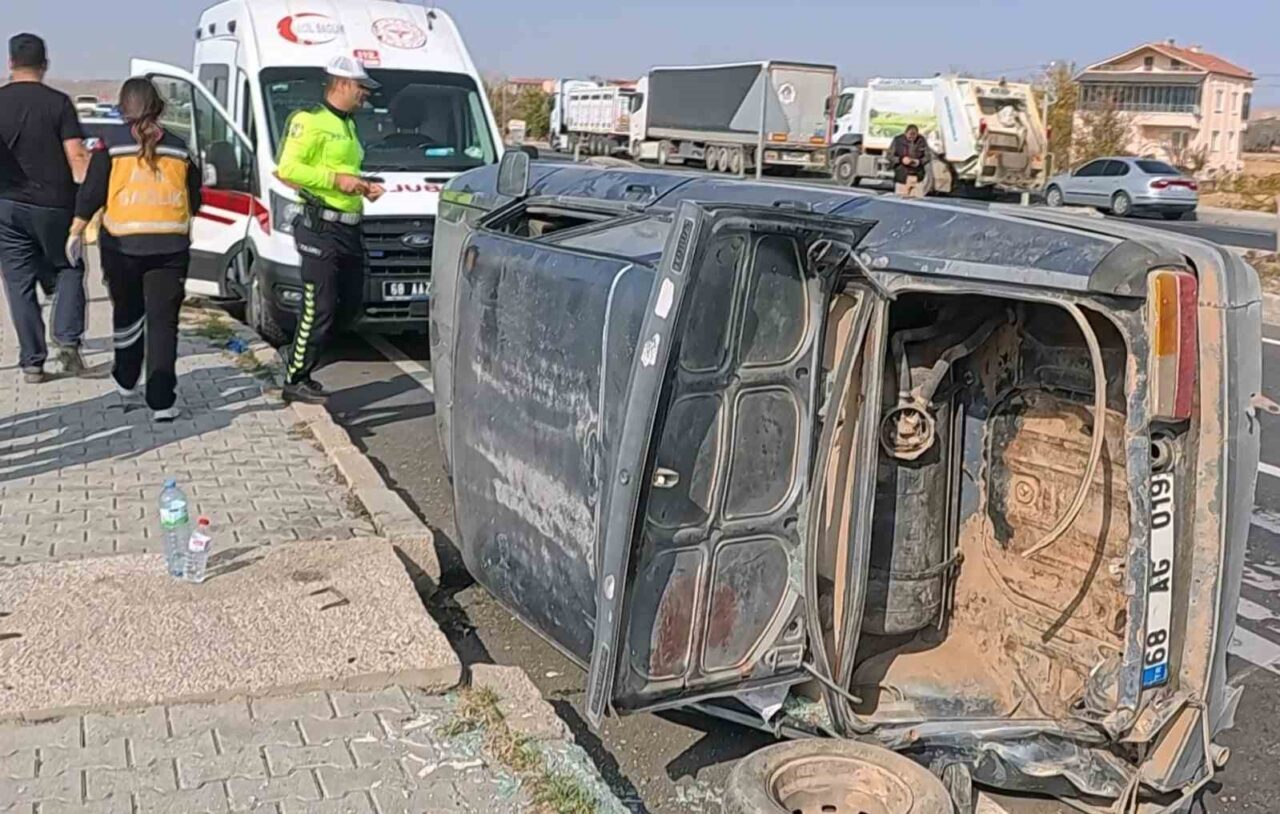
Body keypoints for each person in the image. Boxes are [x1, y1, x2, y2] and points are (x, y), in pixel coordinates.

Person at [67, 78, 201, 422]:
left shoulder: (110, 147)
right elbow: (195, 200)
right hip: (170, 247)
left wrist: (76, 230)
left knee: (127, 314)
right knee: (163, 323)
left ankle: (126, 382)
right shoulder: (180, 148)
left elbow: (92, 192)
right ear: (159, 107)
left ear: (123, 108)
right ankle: (162, 402)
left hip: (122, 246)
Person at [274, 55, 384, 404]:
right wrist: (336, 180)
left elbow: (346, 174)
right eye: (362, 87)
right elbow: (287, 169)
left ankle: (298, 355)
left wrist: (364, 186)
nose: (366, 94)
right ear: (343, 84)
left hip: (350, 228)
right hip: (320, 228)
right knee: (318, 305)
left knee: (349, 304)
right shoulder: (309, 121)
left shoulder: (348, 125)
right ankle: (296, 376)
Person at [0, 33, 90, 383]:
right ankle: (67, 342)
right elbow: (77, 157)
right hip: (56, 205)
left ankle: (32, 362)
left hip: (7, 206)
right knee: (69, 266)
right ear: (45, 64)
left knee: (18, 283)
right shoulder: (59, 103)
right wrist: (90, 199)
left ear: (10, 63)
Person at [890, 124, 930, 199]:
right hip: (902, 177)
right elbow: (890, 156)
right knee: (901, 201)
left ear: (917, 134)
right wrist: (901, 160)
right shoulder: (897, 140)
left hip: (917, 177)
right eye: (909, 136)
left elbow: (928, 156)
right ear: (905, 133)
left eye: (914, 136)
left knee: (917, 201)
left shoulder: (922, 140)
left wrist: (919, 162)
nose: (911, 138)